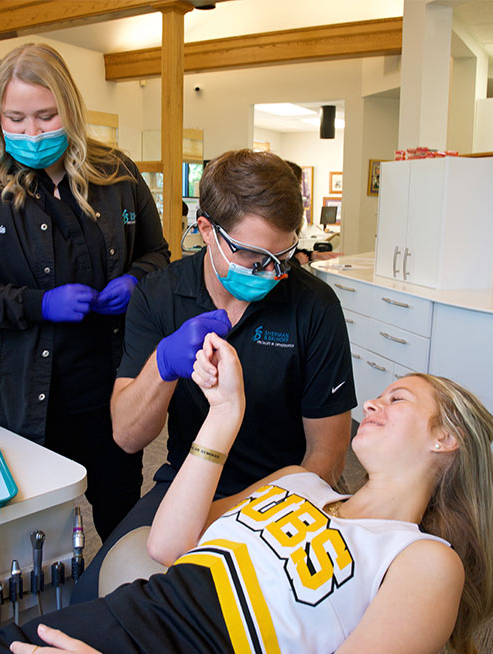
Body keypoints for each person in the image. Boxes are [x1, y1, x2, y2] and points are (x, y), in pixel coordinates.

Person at [0, 338, 493, 654]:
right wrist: (224, 414)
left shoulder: (425, 559)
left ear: (446, 438)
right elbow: (166, 544)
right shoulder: (300, 482)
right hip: (103, 623)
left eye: (398, 399)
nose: (372, 402)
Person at [70, 148, 355, 602]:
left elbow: (327, 459)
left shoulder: (314, 307)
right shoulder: (160, 295)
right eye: (255, 258)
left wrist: (222, 519)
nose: (273, 273)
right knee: (92, 600)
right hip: (189, 484)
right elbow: (126, 436)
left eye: (285, 257)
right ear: (206, 230)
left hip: (288, 495)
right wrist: (162, 365)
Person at [0, 43, 169, 539]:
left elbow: (157, 254)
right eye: (15, 119)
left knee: (120, 513)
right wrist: (37, 305)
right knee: (25, 531)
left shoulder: (117, 175)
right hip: (10, 397)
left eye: (45, 116)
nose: (31, 133)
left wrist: (137, 279)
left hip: (104, 391)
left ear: (71, 111)